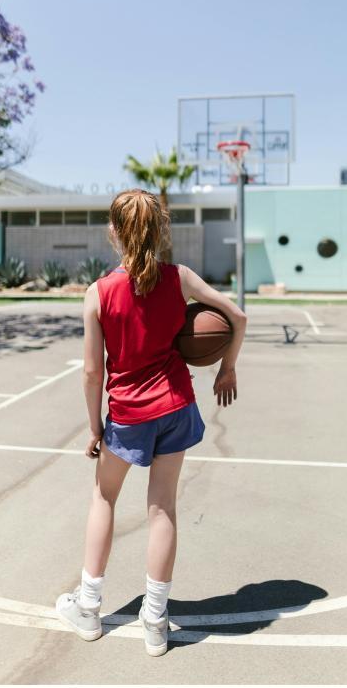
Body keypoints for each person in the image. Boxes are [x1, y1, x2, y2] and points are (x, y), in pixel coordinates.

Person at [56, 188, 247, 656]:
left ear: (114, 232)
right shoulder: (179, 278)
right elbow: (237, 316)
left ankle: (89, 609)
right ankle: (156, 622)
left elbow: (91, 372)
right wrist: (227, 367)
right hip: (176, 406)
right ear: (160, 230)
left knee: (104, 497)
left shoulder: (98, 293)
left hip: (129, 413)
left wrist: (96, 428)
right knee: (162, 508)